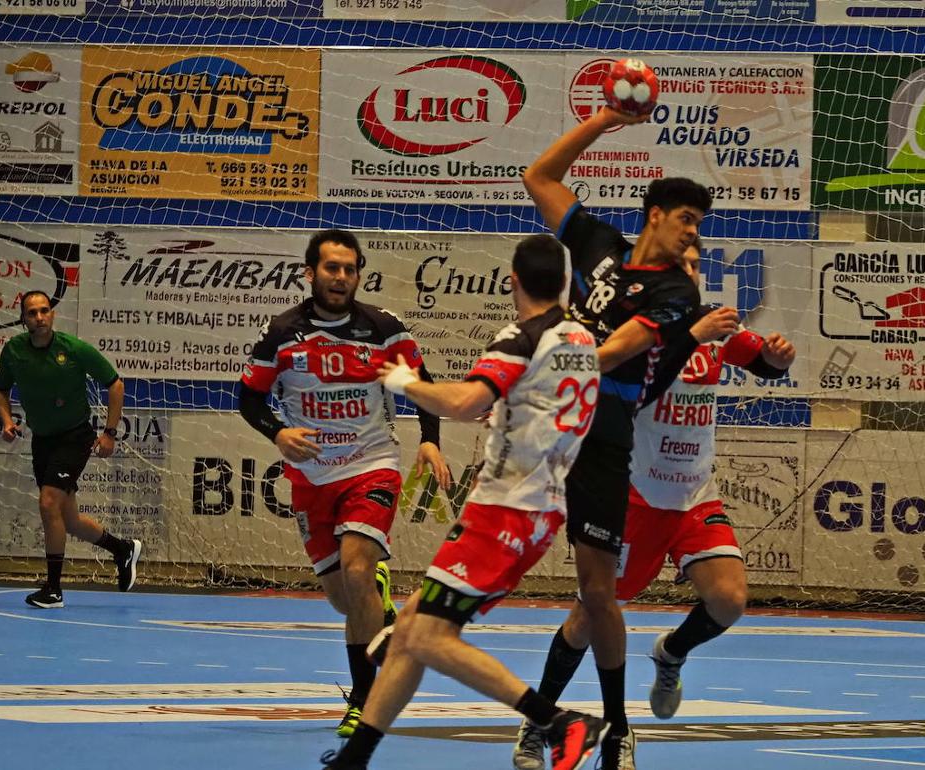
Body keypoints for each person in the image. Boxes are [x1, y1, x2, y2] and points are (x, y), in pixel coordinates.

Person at [319, 234, 608, 770]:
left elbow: (465, 400)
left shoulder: (522, 338)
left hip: (505, 513)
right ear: (568, 283)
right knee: (407, 630)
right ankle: (355, 759)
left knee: (426, 637)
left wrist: (408, 383)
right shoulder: (582, 339)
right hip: (537, 510)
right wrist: (505, 414)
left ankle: (558, 721)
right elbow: (539, 406)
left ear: (513, 281)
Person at [512, 243, 796, 768]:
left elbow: (762, 359)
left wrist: (776, 357)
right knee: (588, 616)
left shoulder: (716, 330)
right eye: (678, 267)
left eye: (693, 267)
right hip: (636, 496)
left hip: (692, 496)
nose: (687, 275)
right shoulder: (637, 334)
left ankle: (671, 653)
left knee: (730, 600)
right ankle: (539, 722)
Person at [520, 105, 739, 769]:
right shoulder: (598, 246)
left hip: (605, 440)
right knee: (565, 593)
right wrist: (606, 119)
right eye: (686, 221)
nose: (691, 234)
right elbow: (539, 176)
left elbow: (619, 350)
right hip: (557, 434)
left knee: (596, 598)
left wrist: (549, 366)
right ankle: (547, 723)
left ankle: (611, 730)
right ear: (655, 216)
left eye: (698, 225)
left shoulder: (675, 291)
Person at [237, 228, 451, 736]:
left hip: (370, 465)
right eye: (331, 268)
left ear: (358, 275)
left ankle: (363, 698)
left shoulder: (383, 329)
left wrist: (430, 440)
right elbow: (248, 399)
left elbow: (422, 385)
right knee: (344, 599)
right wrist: (279, 431)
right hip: (312, 476)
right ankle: (377, 594)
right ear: (311, 273)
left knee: (356, 572)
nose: (341, 277)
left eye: (349, 269)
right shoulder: (282, 333)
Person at [0, 290, 141, 609]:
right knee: (68, 519)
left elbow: (115, 384)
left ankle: (54, 589)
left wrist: (110, 433)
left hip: (75, 436)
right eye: (32, 313)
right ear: (23, 319)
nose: (40, 317)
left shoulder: (73, 349)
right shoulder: (13, 351)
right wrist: (6, 421)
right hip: (42, 439)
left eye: (45, 310)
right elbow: (1, 391)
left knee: (48, 504)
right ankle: (123, 549)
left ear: (53, 315)